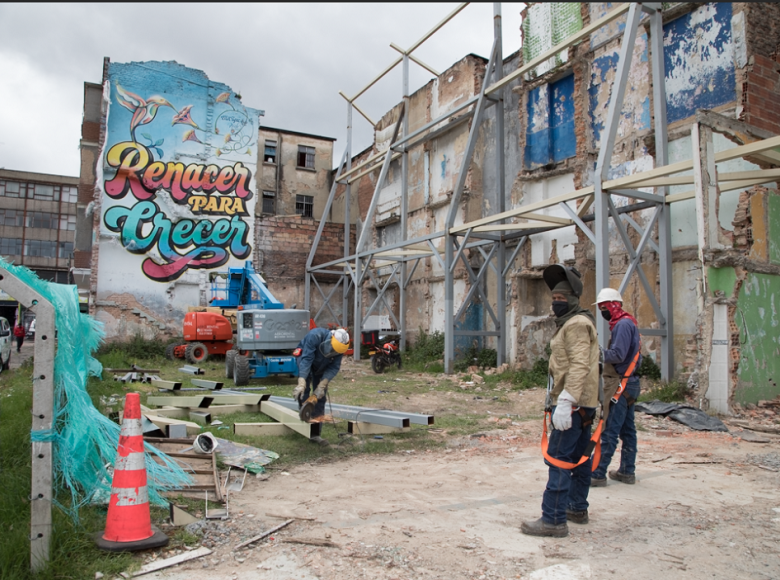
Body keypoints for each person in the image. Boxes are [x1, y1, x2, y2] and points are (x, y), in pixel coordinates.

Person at [521, 264, 600, 538]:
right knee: (579, 458)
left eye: (561, 299)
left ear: (574, 298)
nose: (556, 303)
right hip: (584, 403)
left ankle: (553, 520)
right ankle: (576, 508)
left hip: (573, 404)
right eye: (553, 299)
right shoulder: (575, 321)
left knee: (558, 459)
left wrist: (567, 400)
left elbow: (579, 365)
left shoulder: (576, 324)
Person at [591, 288, 642, 487]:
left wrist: (598, 353)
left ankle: (598, 473)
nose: (603, 312)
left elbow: (619, 354)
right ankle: (627, 471)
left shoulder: (622, 325)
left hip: (621, 383)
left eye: (604, 308)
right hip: (632, 382)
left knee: (610, 429)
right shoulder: (630, 323)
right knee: (628, 430)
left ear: (613, 305)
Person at [292, 327, 350, 422]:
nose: (334, 352)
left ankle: (318, 416)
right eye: (333, 349)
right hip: (305, 355)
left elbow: (334, 367)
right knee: (304, 388)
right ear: (331, 337)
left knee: (320, 393)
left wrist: (322, 386)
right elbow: (307, 360)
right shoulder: (315, 335)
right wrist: (301, 381)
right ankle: (305, 414)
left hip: (323, 361)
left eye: (336, 351)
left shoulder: (340, 349)